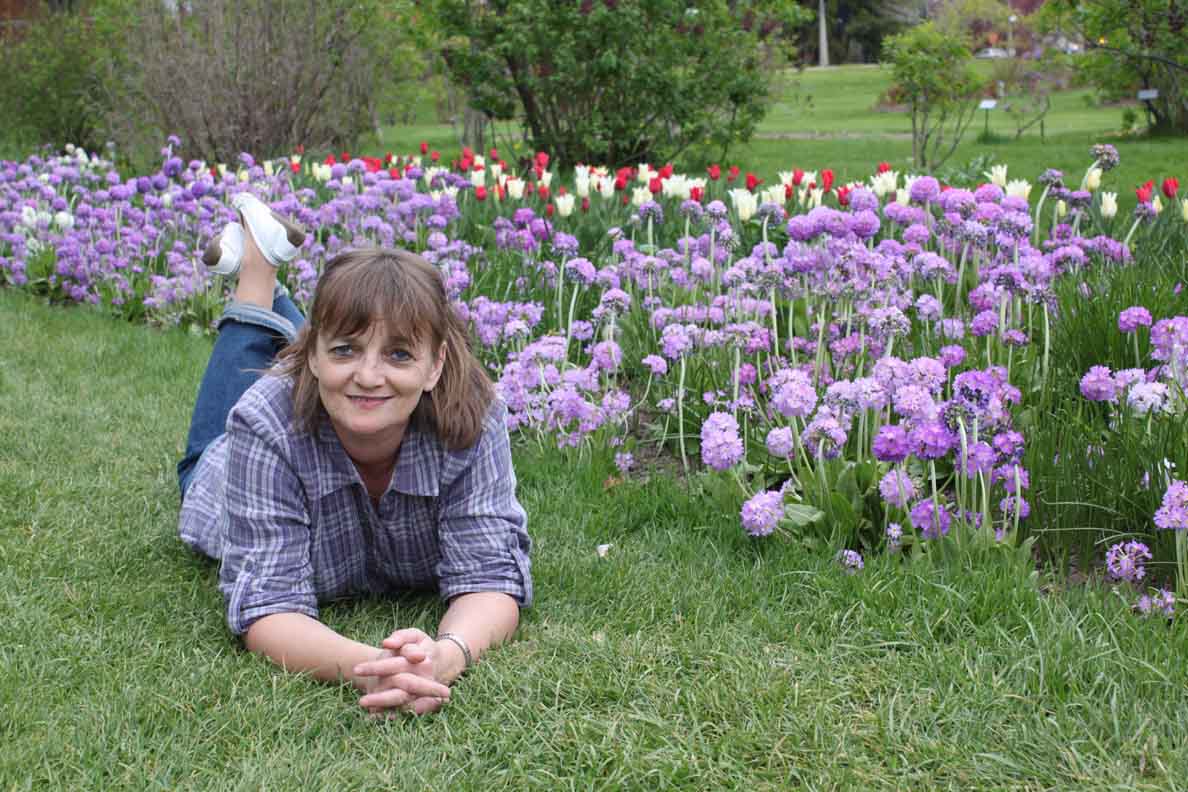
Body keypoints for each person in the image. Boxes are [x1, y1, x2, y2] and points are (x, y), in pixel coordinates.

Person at [177, 192, 532, 717]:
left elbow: (490, 577)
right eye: (342, 350)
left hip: (322, 380)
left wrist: (445, 655)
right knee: (246, 345)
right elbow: (267, 605)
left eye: (399, 354)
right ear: (312, 356)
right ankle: (256, 268)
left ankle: (279, 281)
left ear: (435, 366)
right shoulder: (262, 420)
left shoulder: (475, 417)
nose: (370, 375)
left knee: (353, 334)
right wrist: (374, 667)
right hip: (220, 469)